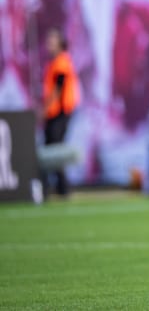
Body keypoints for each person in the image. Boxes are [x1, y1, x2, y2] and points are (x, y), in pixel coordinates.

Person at [42, 28, 80, 197]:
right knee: (51, 146)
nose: (49, 45)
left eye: (52, 41)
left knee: (55, 147)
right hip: (55, 111)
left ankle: (62, 187)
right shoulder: (55, 61)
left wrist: (46, 107)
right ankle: (56, 186)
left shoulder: (62, 62)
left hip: (60, 111)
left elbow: (58, 87)